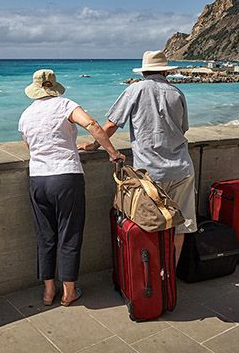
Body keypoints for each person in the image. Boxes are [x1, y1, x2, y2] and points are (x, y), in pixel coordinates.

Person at [79, 50, 197, 265]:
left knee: (149, 225)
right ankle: (169, 275)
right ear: (165, 71)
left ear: (144, 71)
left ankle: (151, 277)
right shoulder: (177, 92)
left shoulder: (135, 89)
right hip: (182, 168)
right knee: (181, 226)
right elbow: (183, 129)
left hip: (150, 173)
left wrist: (95, 144)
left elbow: (112, 124)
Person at [19, 69, 125, 306]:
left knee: (45, 236)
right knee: (69, 233)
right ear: (54, 87)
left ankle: (48, 292)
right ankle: (68, 291)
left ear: (35, 90)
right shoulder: (65, 105)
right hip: (66, 176)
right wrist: (113, 153)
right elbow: (93, 124)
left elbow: (31, 147)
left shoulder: (25, 115)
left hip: (38, 178)